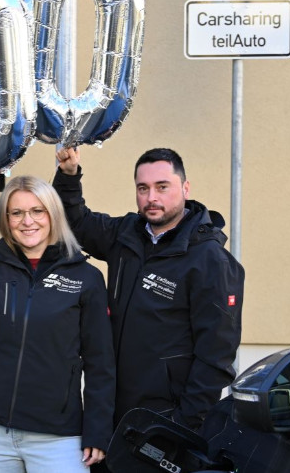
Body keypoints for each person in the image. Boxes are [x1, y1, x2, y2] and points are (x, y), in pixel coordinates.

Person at [52, 147, 244, 443]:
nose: (151, 197)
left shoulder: (211, 262)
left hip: (162, 424)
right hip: (110, 413)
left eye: (162, 187)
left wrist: (181, 426)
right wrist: (68, 176)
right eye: (143, 188)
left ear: (185, 187)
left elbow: (215, 360)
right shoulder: (126, 233)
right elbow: (75, 223)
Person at [0, 162, 115, 472]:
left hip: (57, 436)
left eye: (37, 211)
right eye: (16, 213)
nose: (27, 221)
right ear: (6, 220)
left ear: (53, 215)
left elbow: (101, 362)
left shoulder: (86, 278)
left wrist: (98, 429)